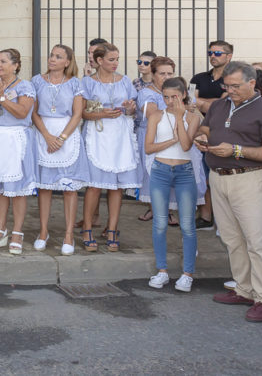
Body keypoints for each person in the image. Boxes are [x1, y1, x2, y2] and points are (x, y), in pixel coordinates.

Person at [196, 61, 262, 323]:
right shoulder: (220, 105)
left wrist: (236, 151)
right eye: (227, 85)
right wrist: (202, 138)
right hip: (219, 178)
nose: (230, 90)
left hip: (249, 179)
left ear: (252, 83)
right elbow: (206, 128)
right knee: (233, 239)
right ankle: (244, 289)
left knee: (257, 242)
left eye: (235, 86)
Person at [80, 43, 140, 253]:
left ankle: (113, 228)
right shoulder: (88, 83)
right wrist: (103, 114)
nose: (115, 63)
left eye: (117, 59)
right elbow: (82, 113)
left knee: (117, 186)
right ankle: (87, 228)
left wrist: (131, 108)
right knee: (95, 185)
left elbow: (133, 108)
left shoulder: (124, 81)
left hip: (120, 135)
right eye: (111, 59)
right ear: (99, 61)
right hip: (98, 133)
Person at [0, 49, 37, 255]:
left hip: (15, 139)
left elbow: (22, 112)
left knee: (17, 189)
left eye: (3, 61)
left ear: (16, 65)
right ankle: (0, 229)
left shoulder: (25, 86)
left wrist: (2, 99)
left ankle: (17, 232)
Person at [145, 77, 203, 292]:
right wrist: (171, 141)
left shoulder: (193, 117)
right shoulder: (156, 116)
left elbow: (187, 146)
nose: (169, 101)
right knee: (159, 223)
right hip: (160, 170)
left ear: (183, 95)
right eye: (166, 97)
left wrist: (180, 118)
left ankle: (188, 274)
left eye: (174, 97)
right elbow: (149, 148)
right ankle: (162, 271)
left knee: (187, 224)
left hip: (184, 171)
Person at [31, 44, 86, 256]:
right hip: (44, 134)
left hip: (67, 135)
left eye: (58, 56)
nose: (52, 59)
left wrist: (62, 138)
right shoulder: (37, 81)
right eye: (51, 55)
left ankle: (69, 234)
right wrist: (47, 136)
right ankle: (43, 231)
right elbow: (34, 112)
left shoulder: (74, 83)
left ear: (67, 62)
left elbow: (77, 113)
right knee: (44, 187)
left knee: (69, 188)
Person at [190, 40, 233, 229]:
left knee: (223, 174)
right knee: (204, 174)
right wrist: (207, 103)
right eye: (210, 53)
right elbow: (190, 100)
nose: (213, 56)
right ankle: (206, 216)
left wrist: (200, 102)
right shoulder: (199, 77)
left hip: (226, 129)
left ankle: (224, 219)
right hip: (201, 128)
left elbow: (225, 103)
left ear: (229, 56)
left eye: (218, 53)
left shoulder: (233, 78)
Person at [136, 56, 178, 224]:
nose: (167, 77)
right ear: (153, 74)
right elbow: (154, 115)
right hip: (152, 138)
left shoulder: (177, 91)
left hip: (172, 138)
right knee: (154, 175)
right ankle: (158, 212)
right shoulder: (146, 93)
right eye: (162, 73)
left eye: (170, 73)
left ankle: (165, 211)